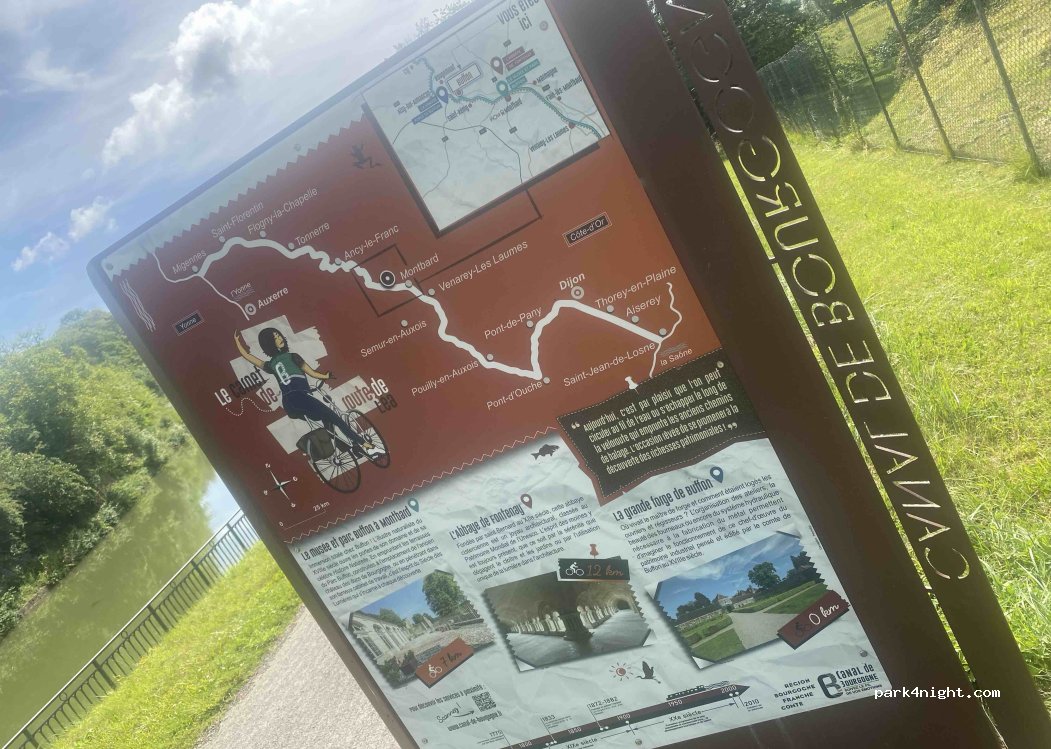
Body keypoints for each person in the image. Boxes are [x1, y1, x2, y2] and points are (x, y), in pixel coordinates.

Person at [234, 328, 372, 452]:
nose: (279, 338)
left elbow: (249, 357)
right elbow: (312, 373)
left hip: (289, 405)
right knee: (334, 417)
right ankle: (362, 442)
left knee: (326, 417)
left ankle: (342, 446)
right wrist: (326, 376)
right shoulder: (293, 357)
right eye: (275, 338)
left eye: (279, 335)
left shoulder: (270, 365)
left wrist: (237, 343)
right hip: (301, 398)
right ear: (270, 344)